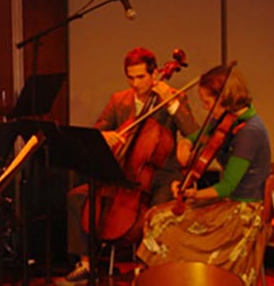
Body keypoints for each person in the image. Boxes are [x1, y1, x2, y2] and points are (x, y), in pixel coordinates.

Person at [57, 47, 199, 285]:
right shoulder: (119, 100)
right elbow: (97, 130)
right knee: (76, 198)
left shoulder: (173, 97)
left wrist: (171, 103)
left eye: (141, 77)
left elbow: (192, 132)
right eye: (130, 77)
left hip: (161, 173)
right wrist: (107, 136)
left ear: (154, 74)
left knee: (157, 212)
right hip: (124, 171)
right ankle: (86, 265)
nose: (135, 84)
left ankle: (149, 270)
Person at [136, 64, 271, 286]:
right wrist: (185, 144)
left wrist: (193, 194)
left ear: (224, 99)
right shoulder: (228, 119)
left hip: (243, 212)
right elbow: (197, 135)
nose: (205, 107)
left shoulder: (249, 132)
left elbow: (227, 186)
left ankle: (176, 279)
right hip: (228, 201)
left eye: (208, 102)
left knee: (163, 223)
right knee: (155, 215)